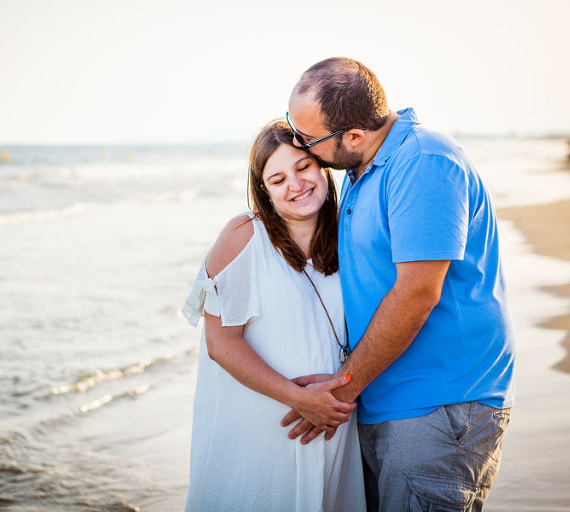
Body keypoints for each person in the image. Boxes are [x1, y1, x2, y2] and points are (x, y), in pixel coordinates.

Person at [280, 57, 516, 512]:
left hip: (441, 404)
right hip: (385, 396)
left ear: (353, 136)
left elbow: (416, 294)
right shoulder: (364, 168)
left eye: (308, 138)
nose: (297, 142)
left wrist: (341, 390)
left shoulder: (423, 163)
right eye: (293, 125)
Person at [181, 120, 366, 511]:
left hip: (331, 421)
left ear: (322, 168)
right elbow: (221, 343)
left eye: (302, 168)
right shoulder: (245, 235)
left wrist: (336, 392)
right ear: (263, 191)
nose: (296, 185)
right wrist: (299, 398)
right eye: (277, 179)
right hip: (265, 426)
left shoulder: (346, 234)